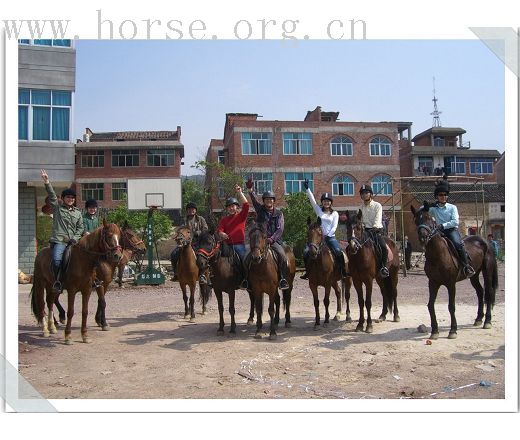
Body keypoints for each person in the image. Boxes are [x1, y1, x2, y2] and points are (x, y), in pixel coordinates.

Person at [41, 169, 84, 293]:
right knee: (56, 260)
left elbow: (80, 228)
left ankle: (91, 280)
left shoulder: (78, 213)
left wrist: (75, 238)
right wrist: (47, 182)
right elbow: (52, 196)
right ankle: (57, 281)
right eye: (68, 197)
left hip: (74, 242)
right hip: (59, 241)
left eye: (72, 197)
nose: (70, 199)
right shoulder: (58, 208)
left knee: (91, 256)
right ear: (63, 198)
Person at [245, 178, 289, 290]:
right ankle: (246, 280)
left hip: (273, 241)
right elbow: (254, 200)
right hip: (259, 240)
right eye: (266, 199)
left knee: (283, 256)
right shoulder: (260, 210)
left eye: (271, 199)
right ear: (264, 201)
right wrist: (250, 190)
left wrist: (271, 239)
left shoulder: (279, 213)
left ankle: (283, 279)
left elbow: (280, 229)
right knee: (246, 257)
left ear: (274, 201)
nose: (269, 201)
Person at [300, 179, 348, 280]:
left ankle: (343, 271)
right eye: (324, 201)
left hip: (330, 237)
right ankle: (308, 272)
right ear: (322, 202)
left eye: (328, 201)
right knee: (306, 252)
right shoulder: (318, 211)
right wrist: (307, 189)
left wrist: (328, 235)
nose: (326, 202)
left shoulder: (335, 214)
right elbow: (312, 200)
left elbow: (334, 226)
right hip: (318, 238)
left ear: (331, 203)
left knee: (338, 252)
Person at [429, 177, 476, 277]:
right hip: (439, 232)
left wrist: (443, 225)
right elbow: (423, 212)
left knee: (458, 244)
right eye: (441, 195)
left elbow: (455, 221)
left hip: (451, 231)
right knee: (429, 243)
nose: (443, 197)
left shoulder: (452, 207)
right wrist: (426, 206)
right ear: (436, 196)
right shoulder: (433, 209)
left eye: (445, 195)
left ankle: (466, 266)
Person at [211, 184, 249, 288]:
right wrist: (221, 233)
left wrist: (240, 192)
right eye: (229, 207)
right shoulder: (224, 220)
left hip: (239, 245)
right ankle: (212, 278)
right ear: (227, 209)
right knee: (213, 257)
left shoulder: (241, 216)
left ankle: (245, 279)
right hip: (226, 245)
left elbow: (246, 205)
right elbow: (219, 230)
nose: (231, 208)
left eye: (233, 206)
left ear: (237, 207)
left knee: (243, 259)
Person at [171, 202, 208, 282]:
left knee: (201, 257)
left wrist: (198, 232)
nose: (191, 210)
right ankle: (176, 274)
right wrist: (178, 236)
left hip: (198, 243)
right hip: (185, 244)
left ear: (195, 210)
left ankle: (202, 274)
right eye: (189, 209)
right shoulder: (184, 220)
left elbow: (205, 229)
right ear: (187, 211)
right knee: (173, 254)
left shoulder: (201, 219)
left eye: (193, 209)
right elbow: (179, 230)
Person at [359, 184, 389, 278]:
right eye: (362, 193)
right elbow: (359, 220)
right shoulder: (360, 207)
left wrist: (375, 227)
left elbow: (378, 218)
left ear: (371, 194)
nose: (364, 195)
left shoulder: (377, 205)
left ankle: (383, 267)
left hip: (375, 231)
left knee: (383, 247)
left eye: (366, 193)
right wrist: (362, 227)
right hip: (364, 231)